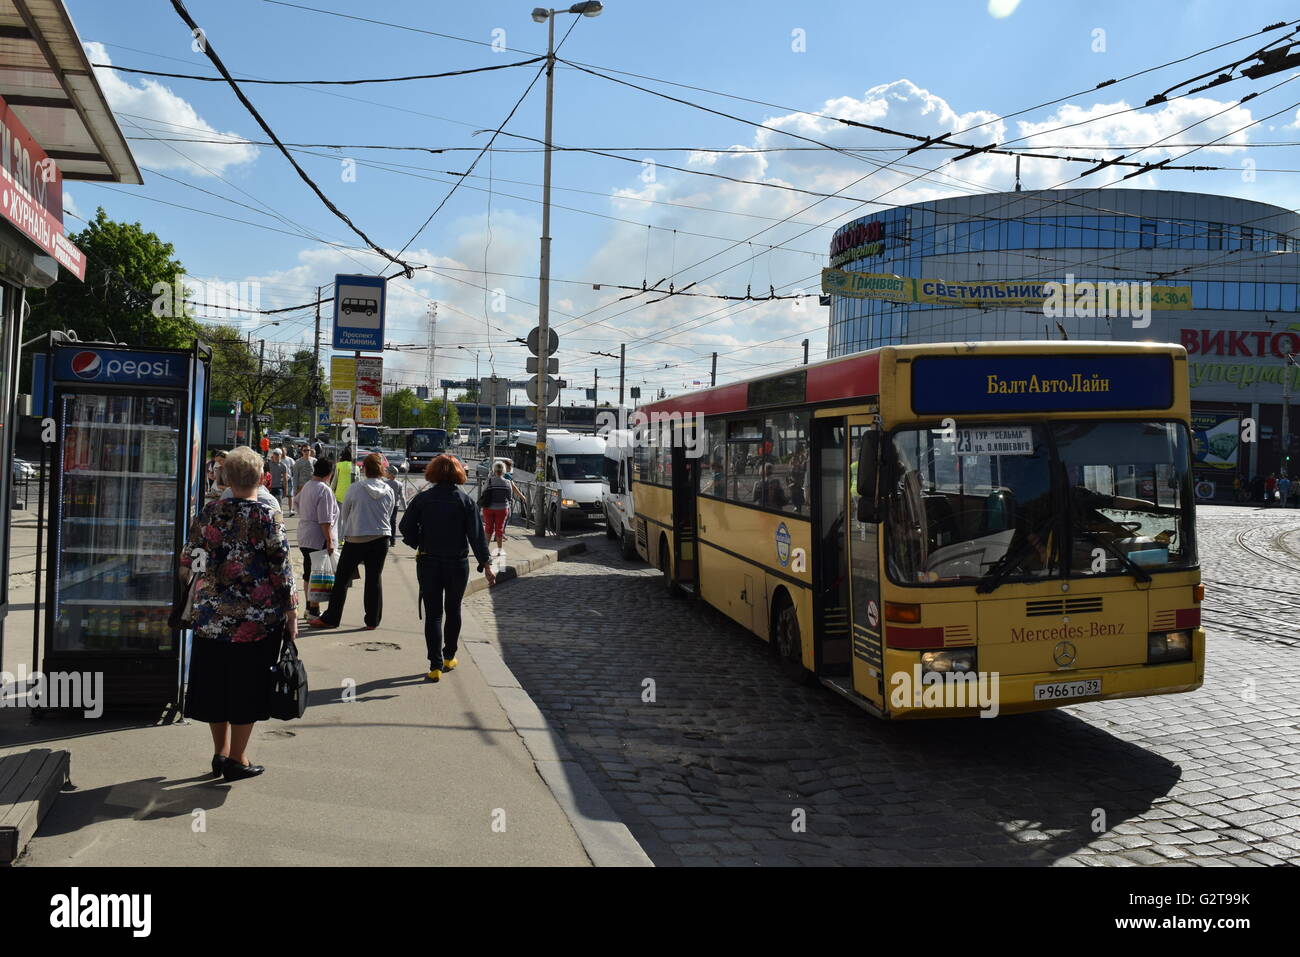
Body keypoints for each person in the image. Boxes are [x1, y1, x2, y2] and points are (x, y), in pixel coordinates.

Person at [179, 446, 297, 781]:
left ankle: (219, 754)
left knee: (216, 685)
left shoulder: (207, 513)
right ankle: (238, 759)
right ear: (261, 478)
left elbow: (189, 560)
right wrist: (291, 613)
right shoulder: (266, 516)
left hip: (211, 618)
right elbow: (281, 569)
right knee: (246, 687)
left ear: (225, 478)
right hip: (256, 620)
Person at [400, 454, 495, 683]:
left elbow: (405, 526)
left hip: (428, 561)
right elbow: (476, 536)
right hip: (457, 563)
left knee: (433, 614)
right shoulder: (465, 501)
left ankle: (435, 666)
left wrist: (419, 541)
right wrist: (486, 564)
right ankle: (449, 655)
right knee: (453, 610)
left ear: (433, 472)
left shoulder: (423, 499)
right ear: (458, 474)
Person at [310, 453, 394, 631]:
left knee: (341, 579)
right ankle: (372, 620)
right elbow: (390, 511)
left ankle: (332, 618)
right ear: (382, 469)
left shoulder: (355, 488)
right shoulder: (389, 490)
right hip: (381, 538)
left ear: (364, 469)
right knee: (374, 579)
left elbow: (344, 513)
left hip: (356, 538)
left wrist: (342, 536)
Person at [297, 457, 338, 619]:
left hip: (304, 534)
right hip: (318, 536)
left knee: (308, 572)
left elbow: (296, 503)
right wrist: (329, 540)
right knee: (318, 574)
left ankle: (309, 608)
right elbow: (325, 519)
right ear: (330, 473)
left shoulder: (308, 485)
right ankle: (314, 610)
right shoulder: (324, 489)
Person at [480, 460, 518, 555]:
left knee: (488, 528)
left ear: (494, 470)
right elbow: (509, 497)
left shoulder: (489, 480)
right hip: (502, 509)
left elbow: (483, 492)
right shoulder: (507, 482)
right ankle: (499, 550)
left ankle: (485, 550)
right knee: (499, 529)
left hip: (488, 508)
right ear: (504, 470)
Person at [383, 465, 405, 548]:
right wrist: (405, 507)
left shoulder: (385, 483)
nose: (386, 473)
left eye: (387, 472)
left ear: (391, 474)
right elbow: (402, 496)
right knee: (393, 522)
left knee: (386, 521)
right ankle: (393, 541)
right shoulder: (399, 484)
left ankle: (386, 539)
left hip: (386, 505)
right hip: (396, 505)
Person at [292, 444, 316, 516]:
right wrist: (295, 490)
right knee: (303, 506)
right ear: (302, 451)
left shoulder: (314, 461)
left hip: (313, 487)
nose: (306, 452)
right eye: (305, 450)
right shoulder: (298, 462)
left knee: (312, 505)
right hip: (302, 487)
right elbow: (295, 476)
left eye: (308, 450)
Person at [268, 450, 290, 514]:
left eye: (278, 455)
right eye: (275, 455)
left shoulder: (283, 466)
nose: (276, 456)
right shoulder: (269, 464)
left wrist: (286, 490)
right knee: (269, 506)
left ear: (281, 455)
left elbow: (285, 478)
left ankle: (279, 520)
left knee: (278, 506)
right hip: (269, 488)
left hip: (278, 488)